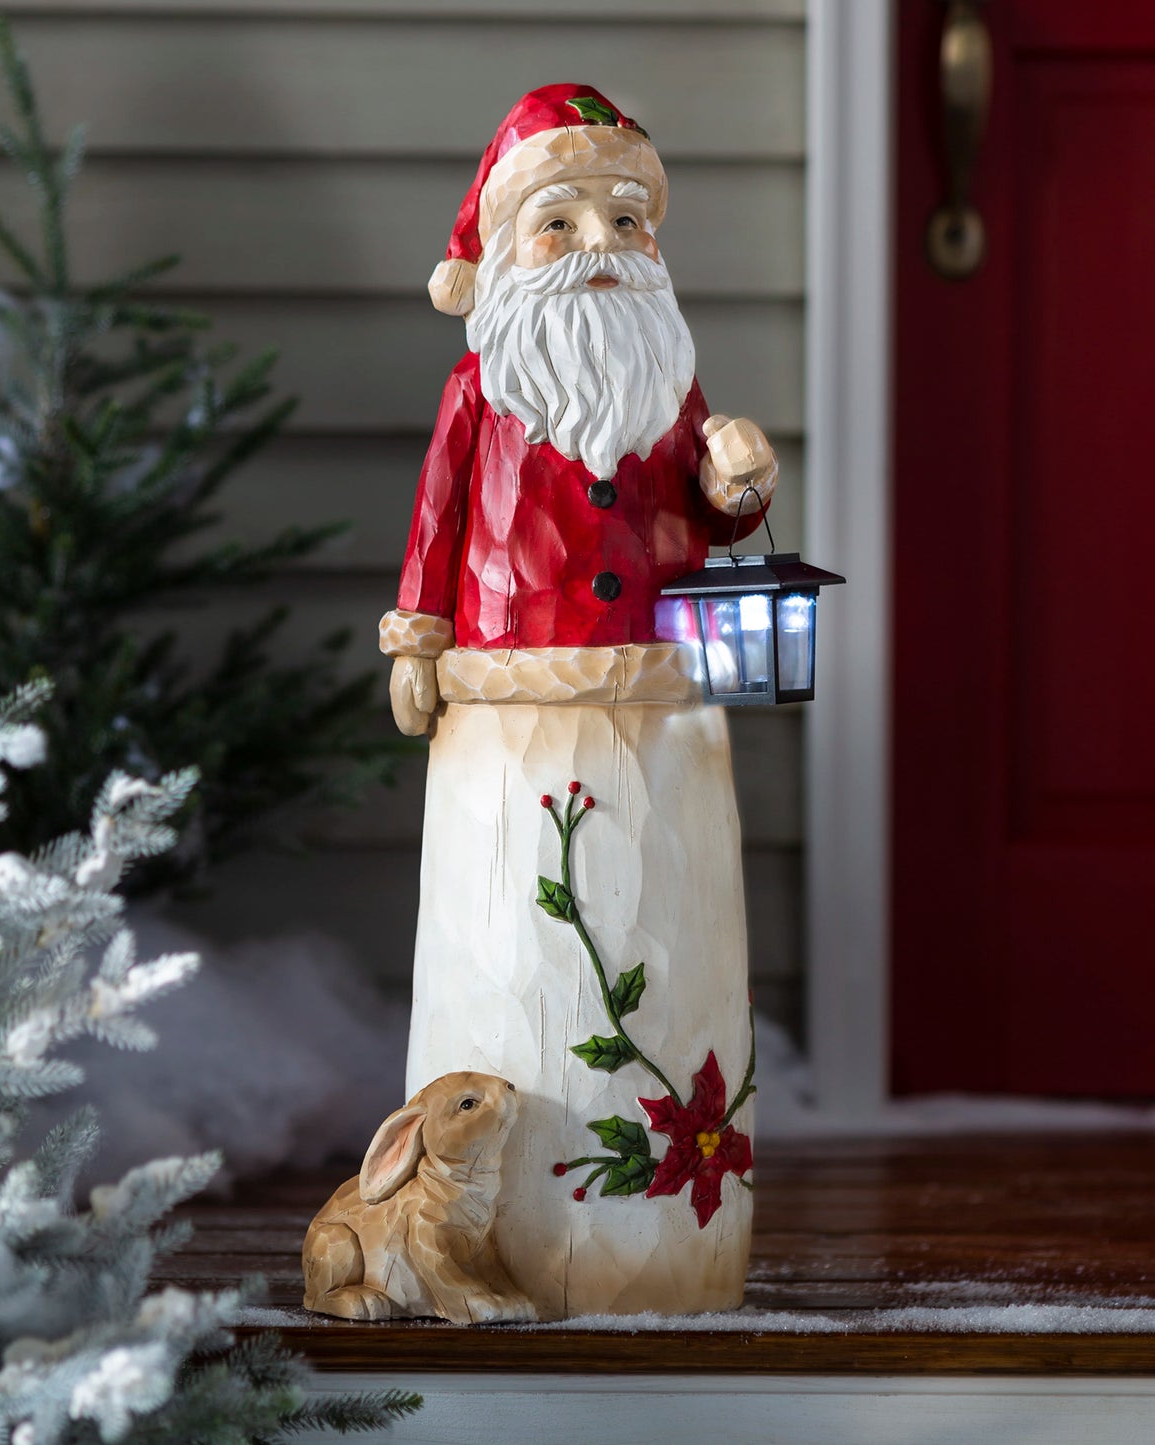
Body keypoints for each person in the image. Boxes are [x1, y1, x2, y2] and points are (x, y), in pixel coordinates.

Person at [379, 84, 776, 1319]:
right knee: (522, 949)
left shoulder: (670, 383)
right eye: (560, 221)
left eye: (626, 216)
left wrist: (741, 478)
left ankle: (671, 1244)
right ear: (500, 252)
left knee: (654, 934)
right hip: (509, 701)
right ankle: (490, 1231)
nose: (602, 245)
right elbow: (438, 520)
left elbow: (720, 504)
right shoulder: (478, 395)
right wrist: (419, 637)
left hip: (653, 699)